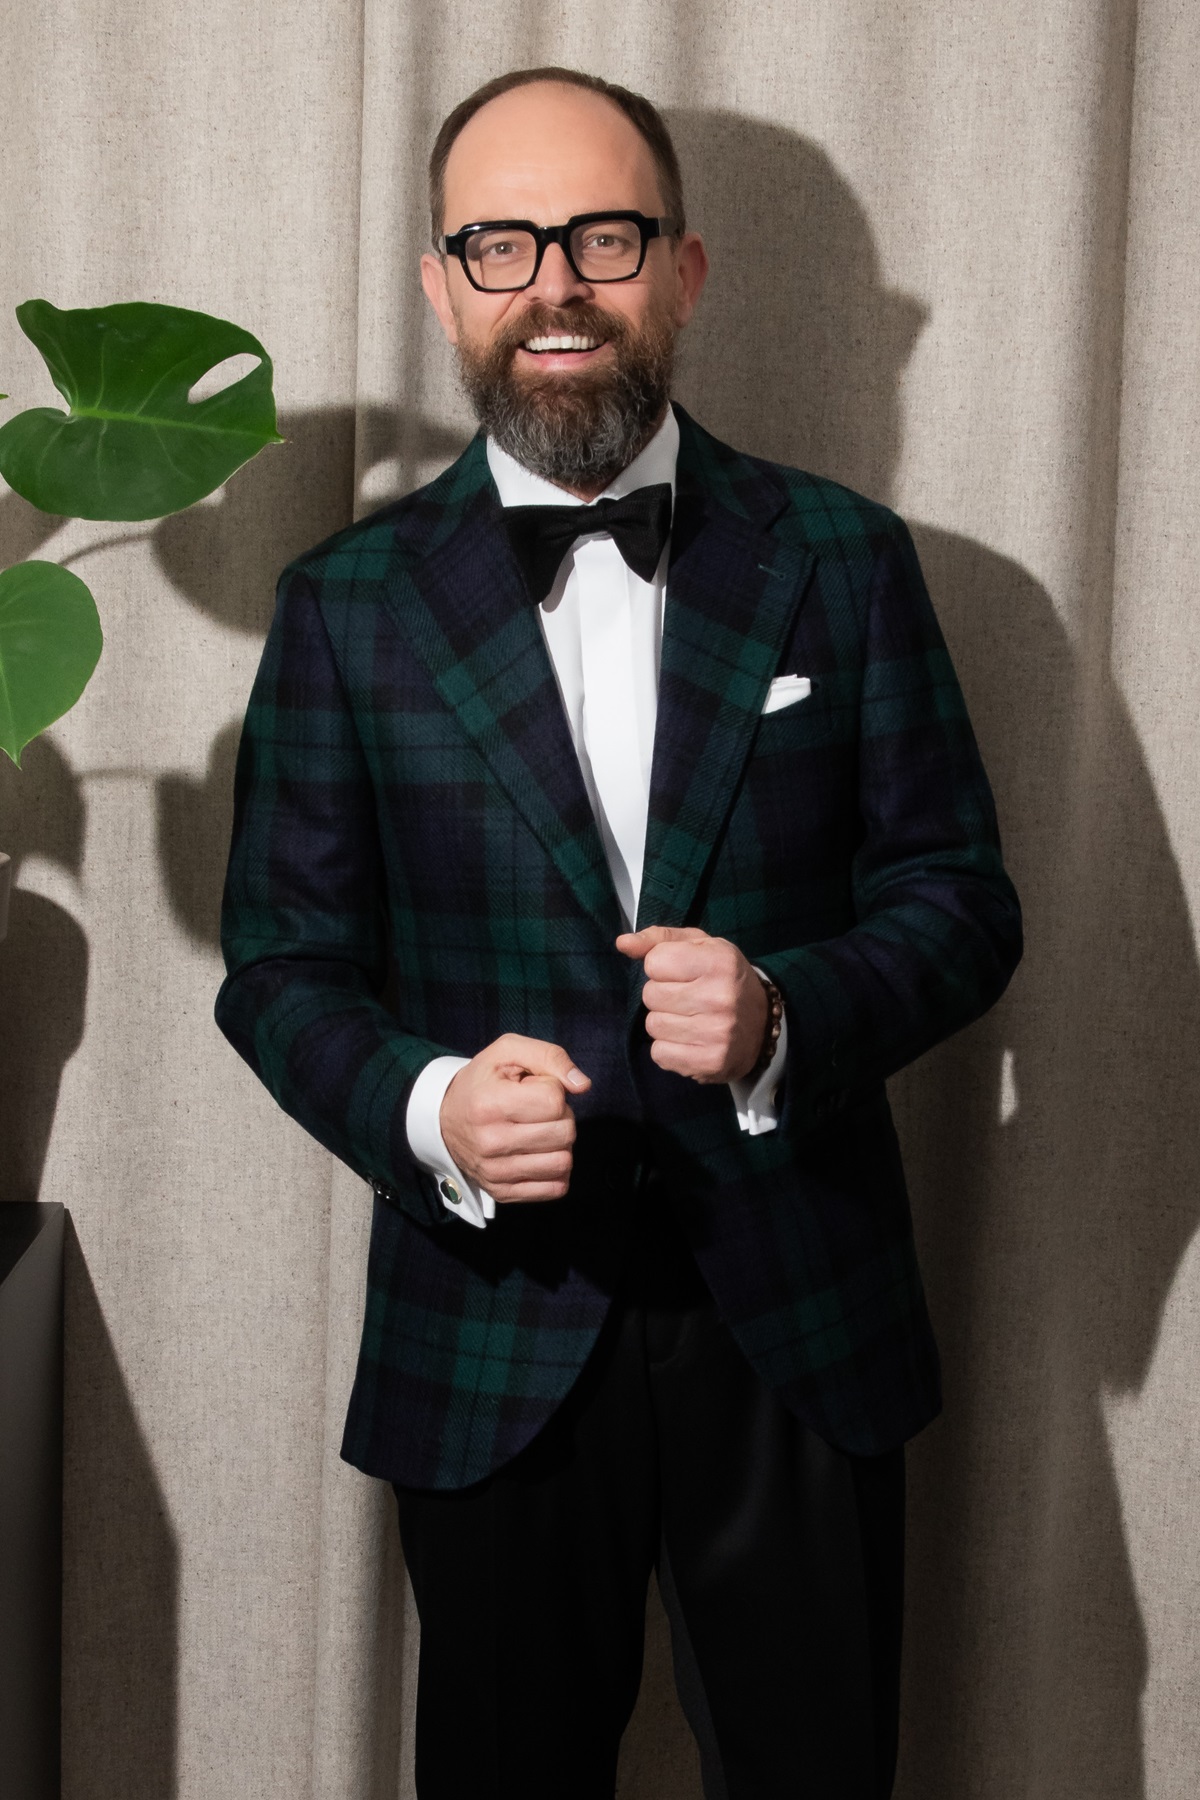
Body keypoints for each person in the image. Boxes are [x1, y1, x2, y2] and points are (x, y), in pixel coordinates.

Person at [216, 67, 1022, 1800]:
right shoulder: (343, 609)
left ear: (683, 269)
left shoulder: (845, 561)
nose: (555, 285)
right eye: (500, 245)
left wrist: (787, 1011)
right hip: (491, 1326)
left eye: (603, 236)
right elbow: (279, 968)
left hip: (801, 1314)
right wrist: (430, 1107)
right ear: (443, 285)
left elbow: (961, 902)